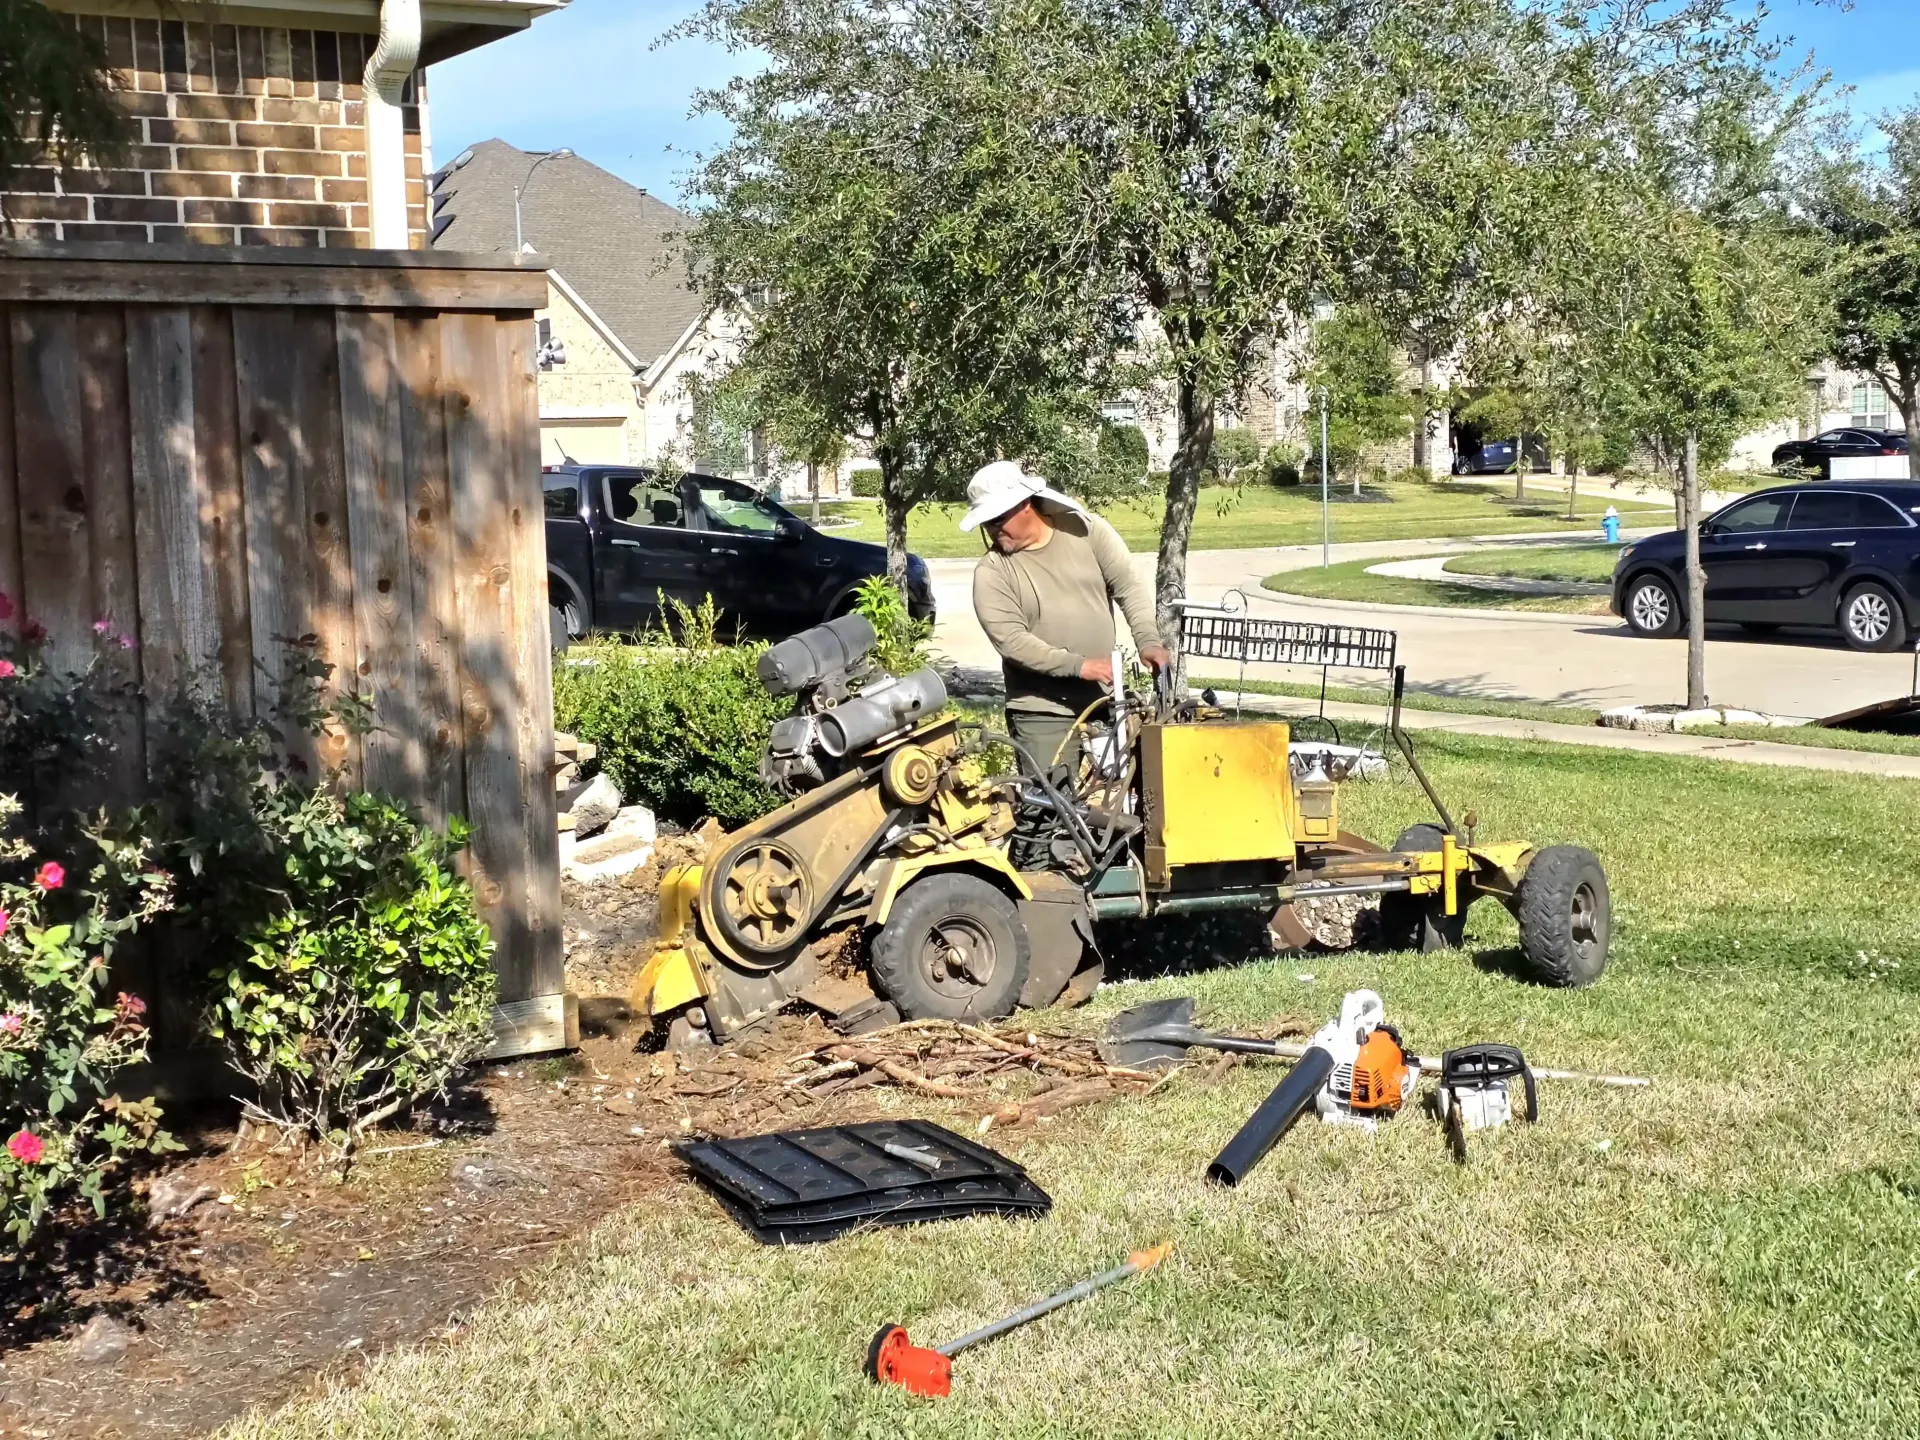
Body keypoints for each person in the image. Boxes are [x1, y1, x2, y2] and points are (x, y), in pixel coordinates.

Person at [963, 460, 1171, 776]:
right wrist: (1080, 666)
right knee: (1049, 813)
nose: (993, 529)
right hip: (1041, 710)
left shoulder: (1087, 531)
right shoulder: (992, 573)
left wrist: (1148, 641)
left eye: (998, 518)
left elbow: (1128, 586)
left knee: (1126, 800)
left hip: (1104, 701)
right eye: (987, 523)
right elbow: (1013, 643)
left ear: (1025, 505)